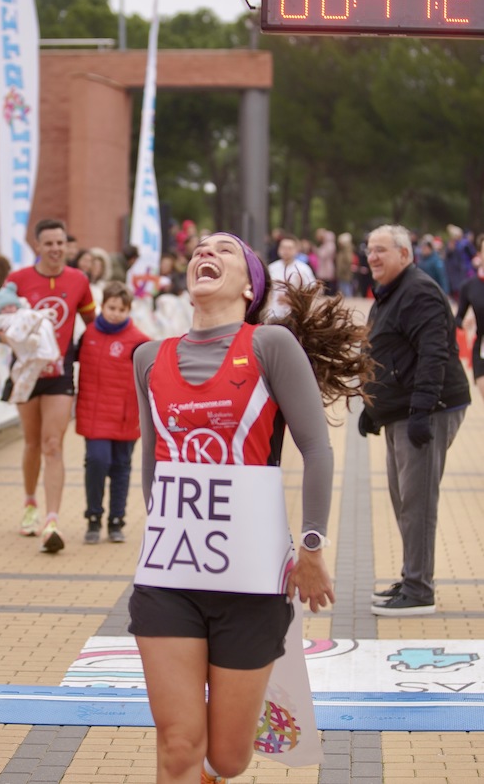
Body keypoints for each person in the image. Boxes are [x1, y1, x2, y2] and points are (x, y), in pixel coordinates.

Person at [130, 231, 373, 784]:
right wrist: (163, 534)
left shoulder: (269, 346)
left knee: (230, 756)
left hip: (252, 584)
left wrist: (312, 546)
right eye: (199, 249)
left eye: (225, 250)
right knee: (178, 745)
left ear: (249, 287)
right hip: (170, 581)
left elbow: (316, 449)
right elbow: (155, 463)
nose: (204, 254)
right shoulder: (149, 358)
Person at [358, 224, 471, 616]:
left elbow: (434, 352)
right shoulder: (390, 293)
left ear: (405, 255)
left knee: (417, 501)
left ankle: (420, 590)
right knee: (402, 498)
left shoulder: (417, 290)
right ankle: (411, 577)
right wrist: (372, 410)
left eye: (382, 250)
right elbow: (386, 353)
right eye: (369, 249)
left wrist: (423, 409)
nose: (372, 256)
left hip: (429, 409)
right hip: (400, 410)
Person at [7, 218, 96, 553]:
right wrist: (13, 339)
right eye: (49, 244)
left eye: (61, 243)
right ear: (38, 246)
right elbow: (1, 324)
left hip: (59, 373)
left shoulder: (78, 280)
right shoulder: (18, 281)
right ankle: (30, 504)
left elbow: (92, 325)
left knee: (53, 444)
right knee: (31, 443)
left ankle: (52, 520)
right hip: (27, 373)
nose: (56, 249)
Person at [75, 282, 151, 544]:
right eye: (111, 307)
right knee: (96, 462)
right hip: (94, 414)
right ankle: (93, 517)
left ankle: (116, 520)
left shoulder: (139, 341)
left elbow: (153, 375)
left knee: (121, 468)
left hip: (125, 416)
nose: (115, 313)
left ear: (129, 309)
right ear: (102, 306)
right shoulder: (87, 335)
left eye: (121, 309)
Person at [0, 282, 60, 404]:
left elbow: (37, 315)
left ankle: (33, 340)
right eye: (5, 308)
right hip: (18, 343)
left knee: (35, 321)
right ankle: (19, 394)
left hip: (32, 341)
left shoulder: (23, 313)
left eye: (11, 306)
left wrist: (47, 313)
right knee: (23, 373)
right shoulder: (0, 319)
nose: (8, 310)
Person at [455, 232, 484, 403]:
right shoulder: (469, 286)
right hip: (481, 349)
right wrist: (464, 323)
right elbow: (457, 318)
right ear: (479, 255)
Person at [267, 233, 316, 319]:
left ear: (296, 250)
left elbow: (312, 291)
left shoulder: (303, 269)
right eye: (283, 247)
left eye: (289, 248)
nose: (286, 251)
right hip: (273, 313)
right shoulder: (271, 268)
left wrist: (294, 299)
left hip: (295, 315)